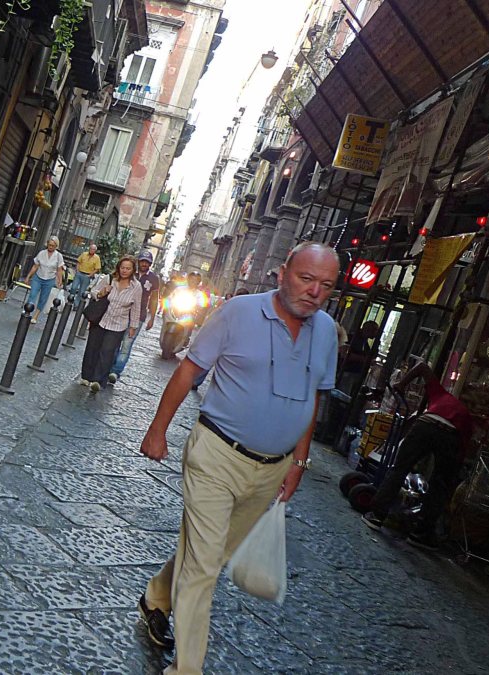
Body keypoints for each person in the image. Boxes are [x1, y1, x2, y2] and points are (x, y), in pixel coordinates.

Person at [135, 242, 340, 675]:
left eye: (326, 285)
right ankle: (187, 669)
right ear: (283, 273)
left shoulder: (326, 332)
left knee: (208, 554)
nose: (315, 292)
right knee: (205, 565)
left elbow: (312, 399)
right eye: (306, 279)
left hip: (272, 468)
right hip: (217, 453)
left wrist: (298, 462)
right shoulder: (237, 312)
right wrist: (158, 430)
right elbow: (190, 369)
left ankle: (157, 594)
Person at [362, 359, 476, 550]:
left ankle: (377, 515)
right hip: (451, 434)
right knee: (440, 484)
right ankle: (421, 532)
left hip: (426, 424)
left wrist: (401, 384)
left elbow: (422, 366)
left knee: (399, 469)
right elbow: (461, 447)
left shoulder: (440, 395)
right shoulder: (468, 419)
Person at [79, 255, 141, 392]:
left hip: (119, 324)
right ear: (119, 268)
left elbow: (136, 307)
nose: (125, 271)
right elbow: (94, 292)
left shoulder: (136, 287)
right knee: (92, 348)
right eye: (123, 268)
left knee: (107, 351)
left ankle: (98, 381)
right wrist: (101, 293)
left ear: (133, 270)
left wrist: (133, 327)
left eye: (128, 268)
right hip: (101, 319)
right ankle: (86, 376)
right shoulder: (109, 279)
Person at [110, 249, 161, 379]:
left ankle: (116, 371)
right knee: (115, 341)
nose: (144, 264)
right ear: (138, 261)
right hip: (123, 312)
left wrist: (152, 317)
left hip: (139, 316)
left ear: (150, 264)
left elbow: (154, 299)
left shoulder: (154, 279)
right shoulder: (131, 274)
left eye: (147, 262)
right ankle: (109, 367)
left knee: (127, 344)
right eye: (142, 261)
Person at [23, 236, 65, 324]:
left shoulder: (58, 256)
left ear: (56, 246)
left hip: (49, 279)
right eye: (49, 245)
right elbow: (35, 266)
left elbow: (59, 270)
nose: (50, 247)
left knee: (43, 298)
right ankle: (28, 309)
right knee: (32, 294)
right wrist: (28, 276)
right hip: (38, 277)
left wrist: (60, 281)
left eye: (53, 246)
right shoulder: (41, 253)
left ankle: (35, 316)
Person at [338, 320, 380, 394]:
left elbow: (371, 356)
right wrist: (365, 359)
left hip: (354, 374)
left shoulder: (365, 343)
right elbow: (344, 354)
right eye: (375, 331)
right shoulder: (353, 338)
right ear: (368, 330)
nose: (376, 333)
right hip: (347, 372)